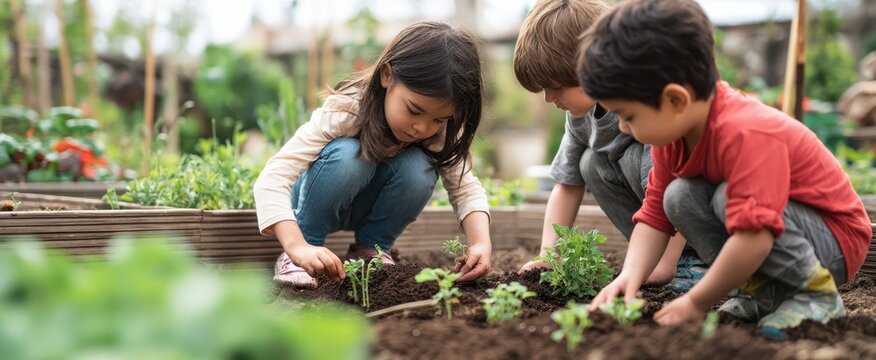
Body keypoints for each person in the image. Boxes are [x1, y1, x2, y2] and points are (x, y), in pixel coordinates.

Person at [579, 0, 872, 339]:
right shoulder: (673, 138)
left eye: (628, 116)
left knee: (725, 198)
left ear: (676, 100)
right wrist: (629, 275)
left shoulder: (746, 133)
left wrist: (696, 302)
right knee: (679, 196)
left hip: (833, 240)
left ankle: (814, 294)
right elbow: (655, 214)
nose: (625, 129)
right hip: (781, 231)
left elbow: (755, 235)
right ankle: (762, 292)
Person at [254, 22, 493, 289]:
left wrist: (481, 243)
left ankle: (370, 251)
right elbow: (273, 177)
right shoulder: (348, 111)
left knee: (420, 168)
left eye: (438, 119)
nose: (422, 127)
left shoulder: (437, 133)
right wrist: (297, 245)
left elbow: (466, 189)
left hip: (366, 204)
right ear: (387, 75)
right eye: (414, 110)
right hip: (319, 196)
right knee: (350, 156)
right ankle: (301, 254)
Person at [512, 0, 697, 288]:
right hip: (658, 221)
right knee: (590, 163)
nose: (549, 98)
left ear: (594, 68)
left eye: (556, 87)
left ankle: (690, 261)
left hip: (698, 210)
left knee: (645, 166)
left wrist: (663, 265)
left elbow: (673, 187)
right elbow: (566, 184)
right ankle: (658, 256)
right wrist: (550, 255)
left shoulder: (649, 106)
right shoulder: (580, 116)